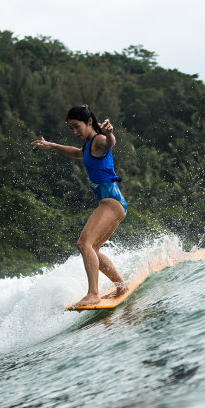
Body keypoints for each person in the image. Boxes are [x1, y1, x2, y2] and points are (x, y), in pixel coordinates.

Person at [31, 104, 128, 308]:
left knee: (84, 244)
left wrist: (110, 134)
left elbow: (110, 143)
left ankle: (93, 293)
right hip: (115, 204)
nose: (75, 132)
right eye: (71, 128)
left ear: (89, 122)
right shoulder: (87, 146)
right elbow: (77, 153)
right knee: (93, 248)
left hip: (111, 203)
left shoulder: (99, 140)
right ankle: (121, 286)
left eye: (77, 126)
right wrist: (52, 145)